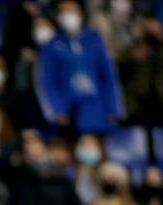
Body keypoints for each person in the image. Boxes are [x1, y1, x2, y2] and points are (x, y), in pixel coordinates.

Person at [35, 0, 124, 133]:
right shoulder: (51, 46)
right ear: (58, 16)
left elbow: (108, 76)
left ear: (81, 13)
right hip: (69, 113)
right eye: (64, 12)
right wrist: (57, 110)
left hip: (97, 109)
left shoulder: (94, 39)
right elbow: (46, 81)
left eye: (72, 11)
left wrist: (113, 108)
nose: (69, 16)